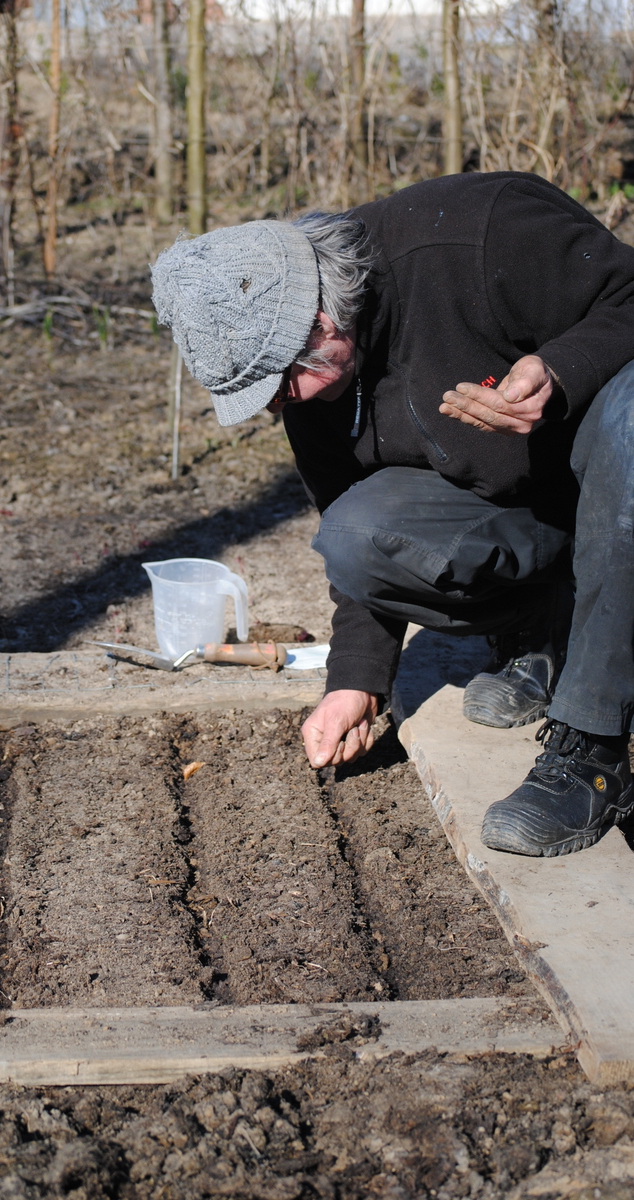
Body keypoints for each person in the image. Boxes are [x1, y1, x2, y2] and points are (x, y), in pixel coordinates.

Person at [150, 171, 634, 858]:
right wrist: (356, 679)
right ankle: (546, 630)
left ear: (320, 316)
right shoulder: (314, 386)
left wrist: (560, 369)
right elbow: (347, 519)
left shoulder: (480, 235)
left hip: (614, 479)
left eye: (279, 383)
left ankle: (593, 746)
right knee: (355, 533)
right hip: (539, 519)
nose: (277, 406)